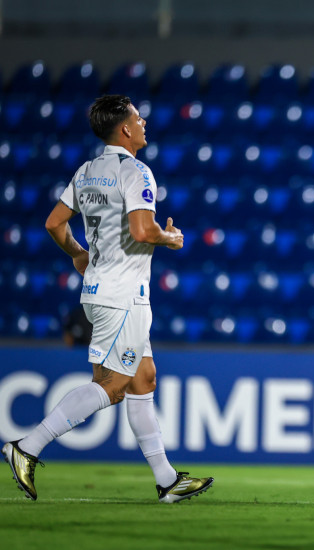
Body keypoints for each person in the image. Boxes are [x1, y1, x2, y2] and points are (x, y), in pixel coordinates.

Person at [2, 95, 213, 503]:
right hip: (123, 296)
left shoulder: (86, 171)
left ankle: (167, 480)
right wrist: (169, 237)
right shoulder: (135, 171)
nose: (144, 121)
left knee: (143, 378)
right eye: (138, 117)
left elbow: (53, 223)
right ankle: (26, 446)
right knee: (112, 386)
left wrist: (79, 254)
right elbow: (142, 230)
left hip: (102, 289)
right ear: (127, 129)